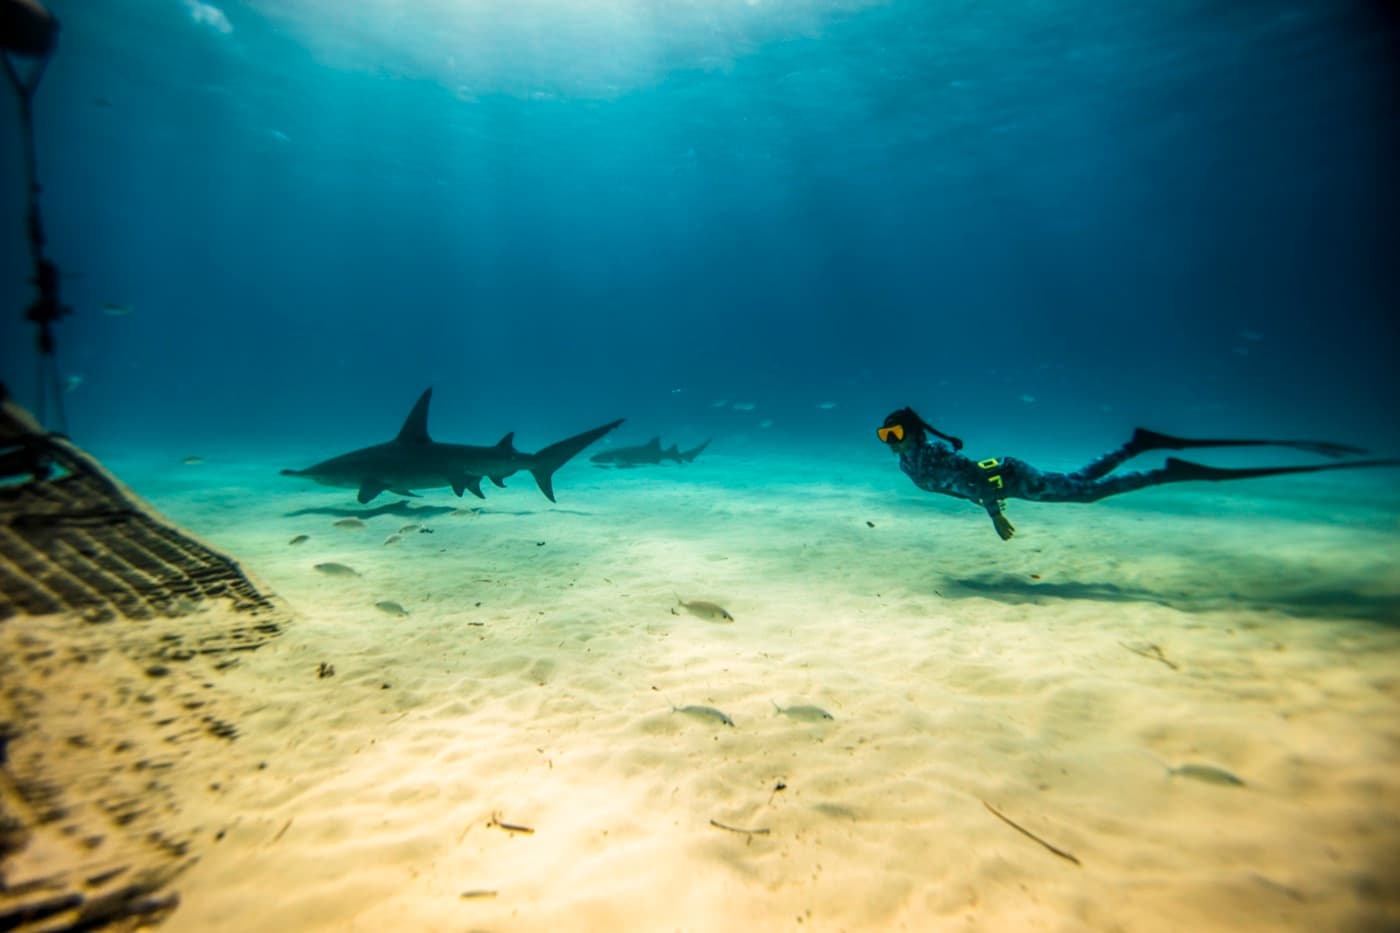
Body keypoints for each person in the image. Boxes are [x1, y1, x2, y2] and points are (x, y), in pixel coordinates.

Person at [876, 406, 1399, 540]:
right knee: (1082, 481)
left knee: (1084, 495)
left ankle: (1165, 472)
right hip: (1008, 475)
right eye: (884, 437)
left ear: (915, 434)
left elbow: (972, 478)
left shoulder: (928, 458)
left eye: (895, 435)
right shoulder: (911, 462)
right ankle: (1138, 446)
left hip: (1010, 480)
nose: (890, 444)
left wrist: (995, 513)